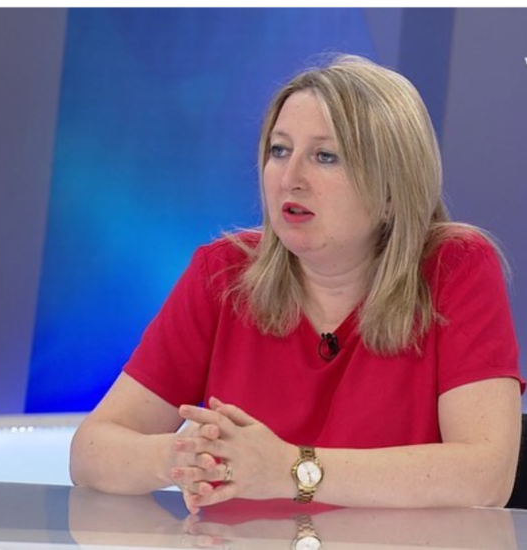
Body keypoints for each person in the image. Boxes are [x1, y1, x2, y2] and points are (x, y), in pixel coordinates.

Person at [69, 54, 524, 513]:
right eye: (279, 150)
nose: (290, 179)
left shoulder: (454, 266)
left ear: (391, 191)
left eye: (325, 156)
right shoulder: (223, 273)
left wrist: (290, 469)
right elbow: (90, 452)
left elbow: (486, 475)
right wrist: (182, 457)